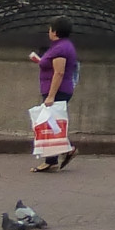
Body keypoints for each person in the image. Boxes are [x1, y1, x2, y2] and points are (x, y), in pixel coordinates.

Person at [29, 20, 79, 174]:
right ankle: (62, 153)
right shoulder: (61, 47)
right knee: (52, 123)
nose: (49, 32)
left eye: (50, 29)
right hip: (57, 89)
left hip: (57, 90)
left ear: (55, 31)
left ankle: (53, 160)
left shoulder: (61, 48)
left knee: (49, 123)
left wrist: (51, 96)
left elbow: (59, 72)